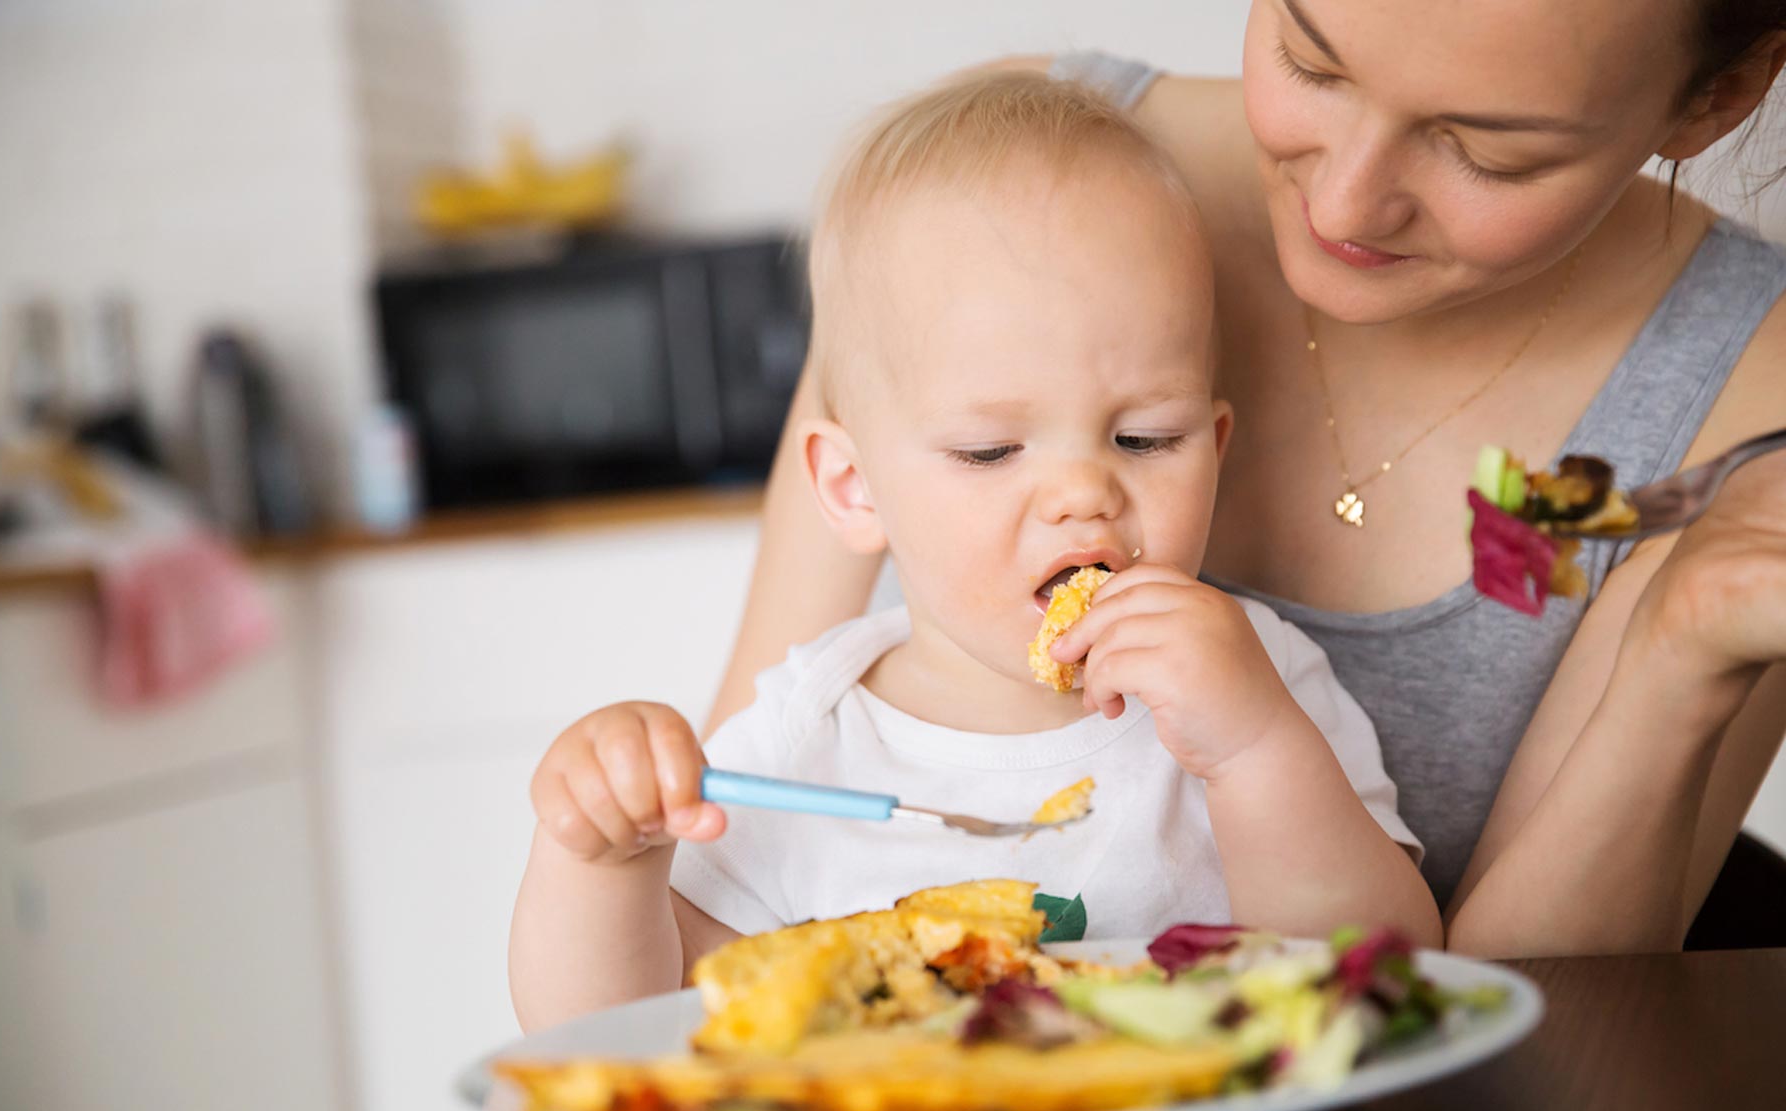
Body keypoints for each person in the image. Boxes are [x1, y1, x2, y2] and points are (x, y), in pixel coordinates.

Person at [707, 0, 1786, 960]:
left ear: (1718, 98)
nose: (1348, 203)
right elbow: (714, 856)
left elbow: (1495, 1016)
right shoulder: (985, 180)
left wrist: (1679, 654)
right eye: (1313, 61)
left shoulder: (1754, 382)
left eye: (1489, 151)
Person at [508, 72, 1441, 1031]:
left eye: (1145, 438)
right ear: (853, 487)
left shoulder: (1258, 679)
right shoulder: (809, 739)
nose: (1085, 492)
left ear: (1217, 448)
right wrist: (602, 864)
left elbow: (1396, 977)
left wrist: (1254, 751)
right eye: (991, 451)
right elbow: (621, 1028)